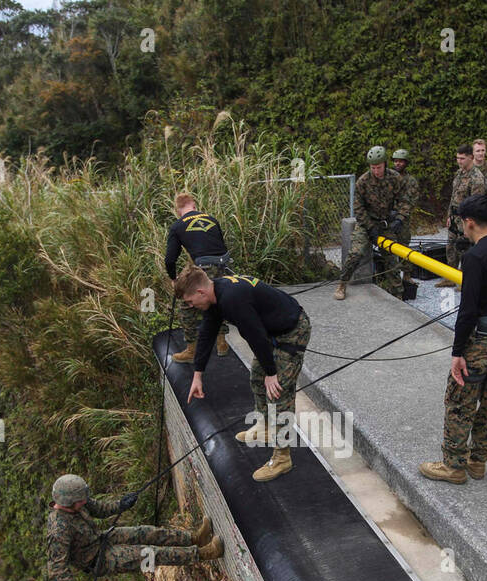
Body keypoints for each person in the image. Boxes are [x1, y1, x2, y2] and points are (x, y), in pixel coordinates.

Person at [419, 194, 487, 483]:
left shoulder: (475, 257)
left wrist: (457, 351)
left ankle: (453, 465)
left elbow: (468, 310)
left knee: (459, 401)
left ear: (468, 223)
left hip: (481, 340)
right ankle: (478, 462)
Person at [176, 266, 311, 482]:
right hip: (273, 333)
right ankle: (265, 426)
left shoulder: (231, 299)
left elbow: (255, 335)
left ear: (200, 292)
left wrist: (272, 372)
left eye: (191, 302)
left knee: (278, 393)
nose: (191, 306)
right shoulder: (216, 295)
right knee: (256, 378)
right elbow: (207, 334)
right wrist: (197, 375)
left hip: (292, 332)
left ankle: (282, 458)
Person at [45, 474, 223, 581]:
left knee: (145, 532)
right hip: (99, 560)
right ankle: (206, 553)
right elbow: (56, 568)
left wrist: (121, 505)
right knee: (150, 554)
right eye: (81, 500)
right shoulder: (59, 530)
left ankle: (194, 539)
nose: (85, 501)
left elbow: (98, 508)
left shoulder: (77, 501)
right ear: (69, 502)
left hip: (101, 539)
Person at [335, 146, 411, 300]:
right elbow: (358, 207)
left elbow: (405, 201)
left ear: (385, 164)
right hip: (366, 223)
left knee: (391, 258)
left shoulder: (395, 178)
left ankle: (398, 293)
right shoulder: (363, 181)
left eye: (379, 167)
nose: (376, 171)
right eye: (373, 167)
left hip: (385, 224)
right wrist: (370, 228)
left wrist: (399, 219)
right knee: (356, 253)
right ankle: (342, 284)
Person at [166, 192, 232, 363]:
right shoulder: (211, 219)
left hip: (204, 265)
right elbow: (219, 244)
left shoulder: (177, 226)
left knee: (187, 304)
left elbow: (170, 259)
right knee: (217, 299)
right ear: (194, 206)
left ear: (178, 210)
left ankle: (191, 350)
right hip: (223, 264)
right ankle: (221, 343)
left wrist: (174, 279)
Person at [441, 143, 487, 287]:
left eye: (462, 158)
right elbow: (453, 196)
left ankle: (465, 281)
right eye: (457, 158)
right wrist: (449, 215)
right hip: (455, 217)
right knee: (451, 248)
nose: (459, 161)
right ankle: (450, 277)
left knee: (465, 250)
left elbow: (476, 204)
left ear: (471, 158)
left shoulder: (477, 178)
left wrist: (469, 223)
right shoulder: (459, 173)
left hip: (466, 219)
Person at [392, 148, 420, 293]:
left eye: (400, 161)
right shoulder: (388, 178)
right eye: (395, 161)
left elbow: (411, 201)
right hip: (389, 218)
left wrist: (401, 216)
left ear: (406, 163)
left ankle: (407, 275)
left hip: (403, 220)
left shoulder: (411, 181)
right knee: (389, 248)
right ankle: (391, 277)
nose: (398, 164)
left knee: (404, 247)